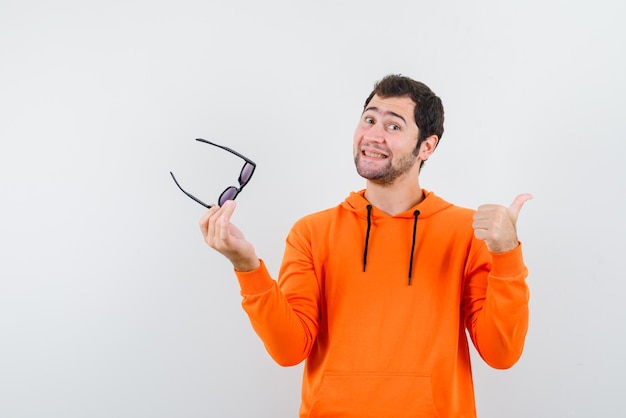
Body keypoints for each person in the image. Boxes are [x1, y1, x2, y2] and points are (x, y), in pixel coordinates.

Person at [199, 74, 531, 418]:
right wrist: (247, 267)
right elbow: (288, 350)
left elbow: (501, 354)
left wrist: (506, 254)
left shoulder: (466, 232)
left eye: (393, 126)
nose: (373, 135)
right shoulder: (312, 232)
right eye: (369, 119)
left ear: (427, 146)